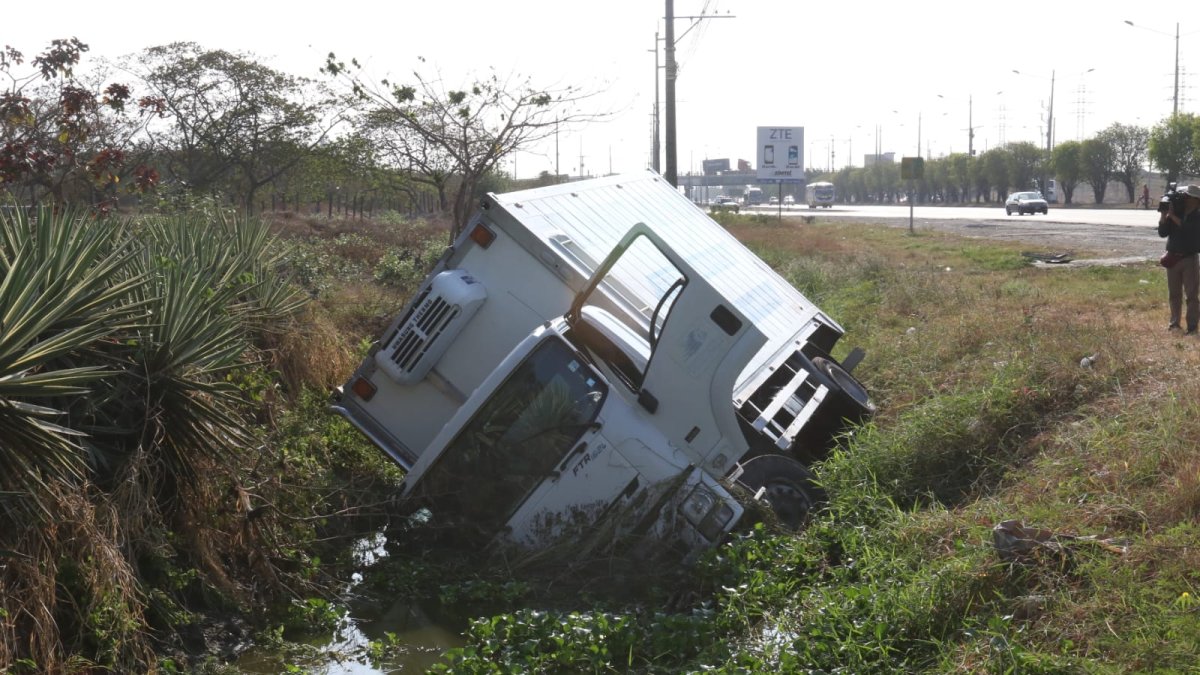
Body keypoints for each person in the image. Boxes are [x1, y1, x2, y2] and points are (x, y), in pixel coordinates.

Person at [1157, 184, 1200, 333]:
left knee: (1192, 295)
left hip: (1189, 259)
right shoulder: (1178, 210)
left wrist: (1172, 216)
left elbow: (1189, 230)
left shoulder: (1197, 215)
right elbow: (1163, 233)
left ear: (1197, 200)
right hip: (1172, 257)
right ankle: (1174, 323)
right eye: (1186, 196)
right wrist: (1164, 216)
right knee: (1174, 294)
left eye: (1189, 196)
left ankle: (1192, 326)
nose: (1186, 198)